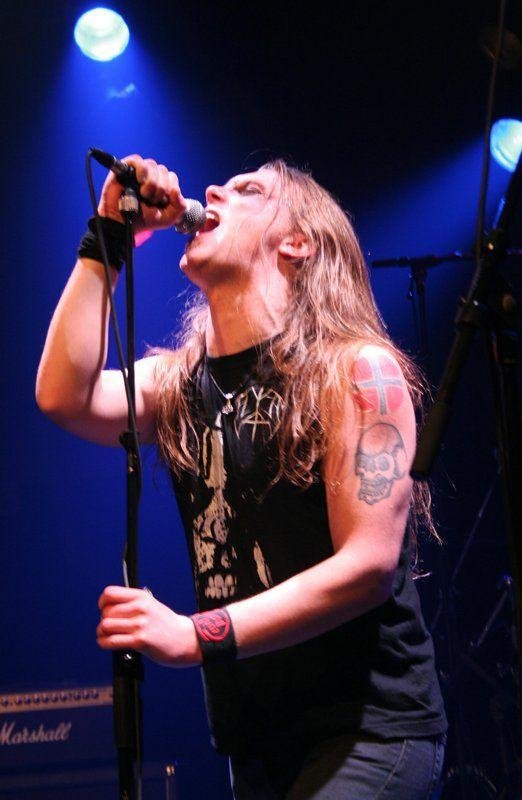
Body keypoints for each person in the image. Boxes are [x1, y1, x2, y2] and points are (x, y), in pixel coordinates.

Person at [36, 154, 447, 798]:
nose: (211, 191)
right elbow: (65, 395)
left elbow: (368, 565)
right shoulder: (178, 384)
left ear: (297, 242)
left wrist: (192, 635)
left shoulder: (358, 371)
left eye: (248, 189)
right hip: (254, 742)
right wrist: (109, 235)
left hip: (368, 731)